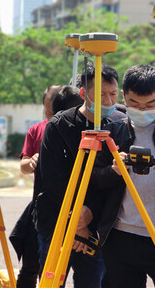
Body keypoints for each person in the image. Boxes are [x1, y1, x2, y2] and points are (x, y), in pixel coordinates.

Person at [34, 63, 123, 288]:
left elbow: (114, 181)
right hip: (56, 222)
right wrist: (76, 221)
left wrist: (89, 215)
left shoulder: (117, 127)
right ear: (83, 93)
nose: (109, 102)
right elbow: (53, 180)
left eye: (113, 94)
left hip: (95, 227)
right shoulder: (58, 126)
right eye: (101, 95)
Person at [11, 85, 81, 288]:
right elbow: (23, 166)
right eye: (48, 112)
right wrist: (31, 161)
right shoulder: (37, 130)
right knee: (33, 264)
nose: (51, 115)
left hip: (77, 209)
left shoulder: (82, 128)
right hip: (45, 206)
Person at [91, 64, 155, 288]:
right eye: (135, 104)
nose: (142, 110)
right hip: (120, 236)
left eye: (150, 105)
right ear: (124, 97)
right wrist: (114, 171)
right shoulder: (114, 133)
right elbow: (94, 179)